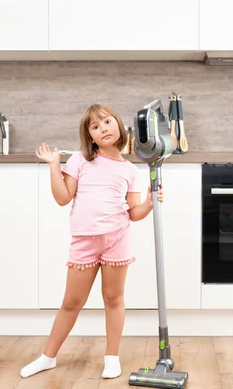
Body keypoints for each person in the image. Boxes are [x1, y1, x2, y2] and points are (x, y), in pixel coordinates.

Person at [20, 104, 164, 380]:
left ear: (118, 125)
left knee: (113, 298)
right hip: (85, 242)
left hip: (117, 239)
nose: (103, 129)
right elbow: (63, 197)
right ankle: (47, 357)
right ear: (90, 137)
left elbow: (134, 214)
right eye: (95, 127)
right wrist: (54, 166)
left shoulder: (130, 171)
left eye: (107, 122)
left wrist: (148, 203)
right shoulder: (79, 160)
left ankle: (112, 357)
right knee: (72, 302)